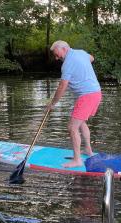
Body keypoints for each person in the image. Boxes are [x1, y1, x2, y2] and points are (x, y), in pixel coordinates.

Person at [46, 40, 102, 168]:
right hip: (96, 93)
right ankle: (88, 150)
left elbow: (62, 85)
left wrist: (53, 103)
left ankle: (77, 160)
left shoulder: (67, 64)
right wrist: (81, 65)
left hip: (87, 96)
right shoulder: (80, 53)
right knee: (81, 122)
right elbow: (91, 58)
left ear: (64, 49)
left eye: (57, 54)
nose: (56, 57)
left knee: (72, 127)